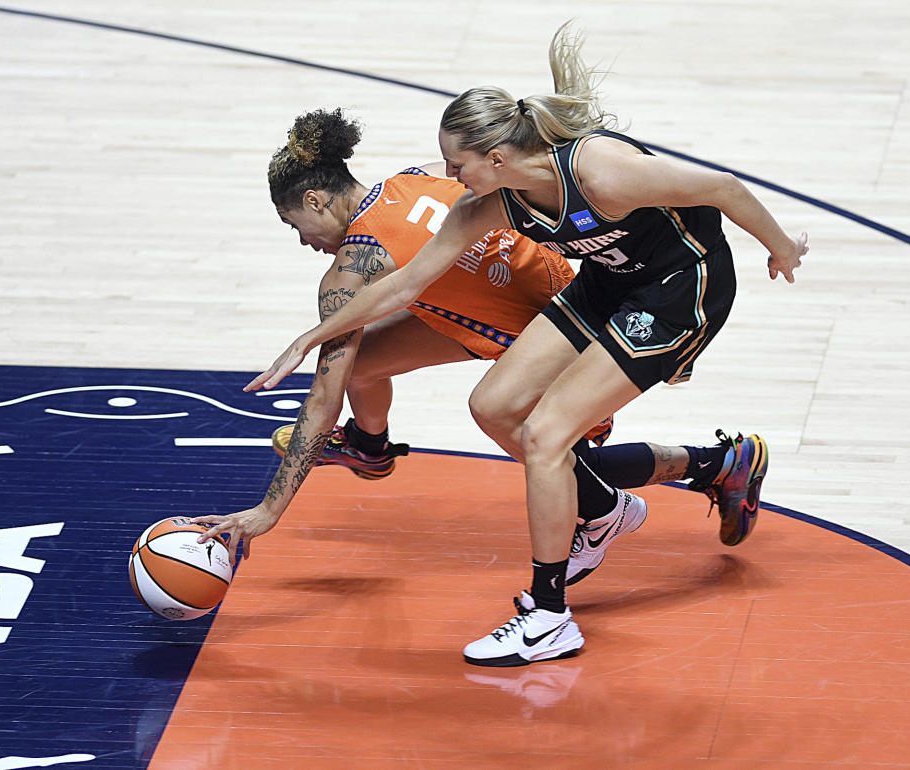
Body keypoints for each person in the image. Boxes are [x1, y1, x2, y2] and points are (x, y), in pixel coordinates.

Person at [247, 21, 809, 668]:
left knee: (547, 437)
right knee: (493, 407)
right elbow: (407, 285)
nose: (450, 177)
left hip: (679, 289)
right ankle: (617, 502)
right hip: (603, 284)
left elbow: (722, 189)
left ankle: (550, 613)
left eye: (457, 166)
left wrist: (781, 248)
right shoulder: (486, 202)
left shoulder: (600, 173)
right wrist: (311, 337)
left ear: (495, 158)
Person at [192, 107, 615, 561]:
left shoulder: (351, 271)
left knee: (576, 469)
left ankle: (701, 462)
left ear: (315, 200)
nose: (302, 240)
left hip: (546, 341)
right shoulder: (425, 175)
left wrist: (268, 510)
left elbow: (322, 399)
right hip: (578, 294)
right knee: (363, 363)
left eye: (293, 224)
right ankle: (369, 446)